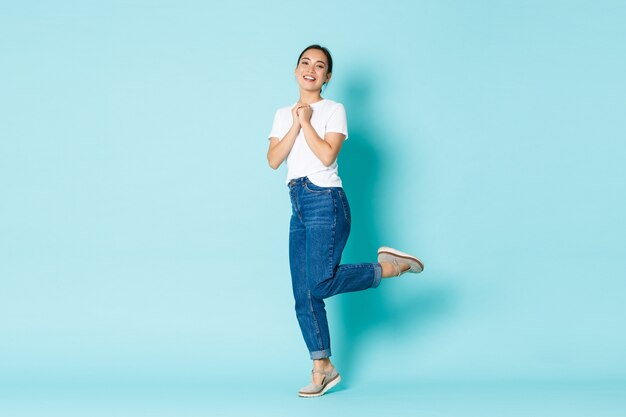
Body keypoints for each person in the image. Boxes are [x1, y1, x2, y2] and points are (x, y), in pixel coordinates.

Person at [266, 44, 424, 398]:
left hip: (326, 201)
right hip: (298, 205)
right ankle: (322, 368)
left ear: (327, 77)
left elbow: (325, 155)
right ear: (296, 70)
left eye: (319, 65)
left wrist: (307, 122)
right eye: (305, 63)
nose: (311, 69)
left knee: (320, 283)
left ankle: (389, 268)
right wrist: (295, 122)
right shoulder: (281, 113)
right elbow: (274, 159)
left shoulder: (333, 110)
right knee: (303, 295)